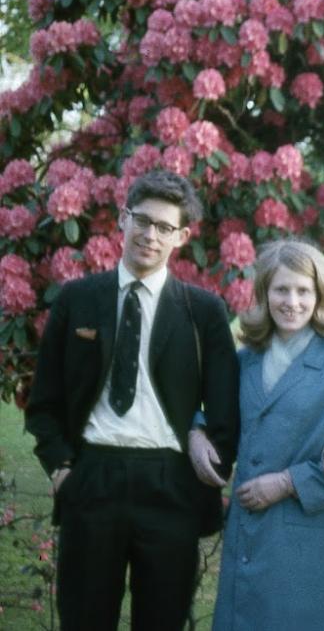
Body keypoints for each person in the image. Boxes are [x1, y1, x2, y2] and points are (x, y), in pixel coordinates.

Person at [24, 170, 240, 630]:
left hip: (170, 484)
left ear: (182, 236)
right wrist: (63, 469)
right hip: (91, 478)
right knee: (83, 620)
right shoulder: (76, 299)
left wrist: (206, 461)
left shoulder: (203, 311)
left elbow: (226, 408)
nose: (150, 235)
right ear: (123, 220)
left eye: (164, 227)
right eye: (142, 220)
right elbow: (44, 401)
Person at [210, 239, 324, 631]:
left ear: (320, 296)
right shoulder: (245, 361)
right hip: (247, 535)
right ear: (265, 293)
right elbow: (221, 419)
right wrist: (199, 430)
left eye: (304, 291)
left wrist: (288, 482)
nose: (292, 301)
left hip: (306, 545)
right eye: (281, 289)